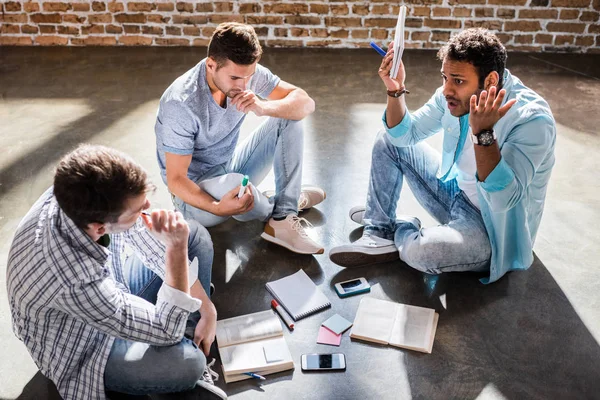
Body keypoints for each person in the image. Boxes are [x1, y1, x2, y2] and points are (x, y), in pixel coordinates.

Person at [329, 28, 556, 284]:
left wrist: (483, 133)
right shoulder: (451, 96)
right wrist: (396, 89)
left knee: (422, 254)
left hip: (493, 230)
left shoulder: (532, 120)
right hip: (456, 194)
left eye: (457, 81)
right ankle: (379, 231)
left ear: (491, 81)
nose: (446, 89)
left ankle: (397, 225)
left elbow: (503, 200)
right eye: (444, 77)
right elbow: (402, 137)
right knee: (387, 139)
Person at [6, 145, 226, 400]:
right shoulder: (74, 278)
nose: (148, 207)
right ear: (100, 228)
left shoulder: (80, 190)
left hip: (112, 288)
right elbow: (166, 331)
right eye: (137, 210)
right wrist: (175, 248)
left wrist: (208, 308)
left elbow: (143, 234)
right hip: (86, 345)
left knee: (194, 235)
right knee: (189, 363)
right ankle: (184, 359)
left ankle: (185, 336)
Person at [155, 22, 325, 255]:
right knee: (237, 185)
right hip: (194, 198)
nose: (244, 86)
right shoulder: (181, 103)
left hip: (228, 168)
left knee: (288, 117)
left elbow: (306, 103)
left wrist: (264, 108)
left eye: (249, 77)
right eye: (235, 78)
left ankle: (284, 214)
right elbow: (176, 180)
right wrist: (217, 206)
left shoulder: (245, 74)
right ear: (211, 65)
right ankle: (283, 206)